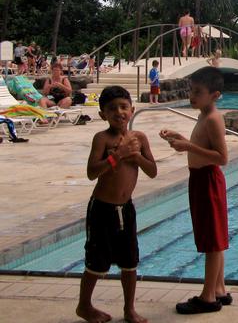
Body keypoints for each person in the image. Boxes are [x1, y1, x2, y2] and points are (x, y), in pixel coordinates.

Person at [77, 86, 157, 323]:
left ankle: (129, 309)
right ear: (103, 114)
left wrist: (137, 157)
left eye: (123, 107)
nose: (119, 112)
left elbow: (152, 171)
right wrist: (117, 155)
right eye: (112, 109)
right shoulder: (101, 139)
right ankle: (84, 306)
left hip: (126, 208)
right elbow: (92, 172)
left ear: (132, 110)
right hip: (102, 209)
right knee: (96, 261)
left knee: (130, 261)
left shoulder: (140, 138)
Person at [160, 67, 230, 314]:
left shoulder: (212, 118)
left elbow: (222, 157)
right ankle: (219, 288)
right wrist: (179, 138)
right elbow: (200, 144)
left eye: (198, 92)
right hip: (200, 180)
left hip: (208, 180)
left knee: (212, 240)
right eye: (191, 90)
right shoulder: (203, 114)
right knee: (214, 236)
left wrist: (188, 145)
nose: (192, 95)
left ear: (215, 95)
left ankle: (208, 297)